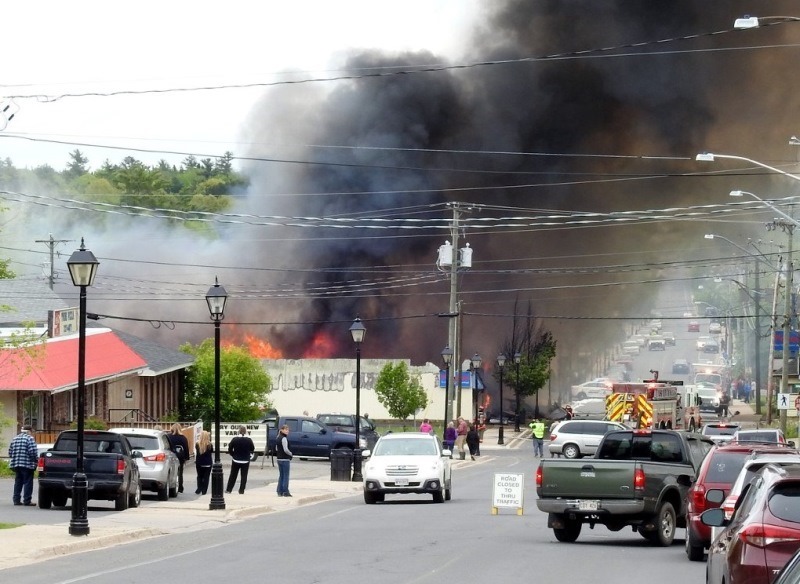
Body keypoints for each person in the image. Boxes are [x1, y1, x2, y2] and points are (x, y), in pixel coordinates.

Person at [8, 425, 38, 506]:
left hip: (16, 464)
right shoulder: (30, 439)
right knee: (28, 482)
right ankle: (27, 500)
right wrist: (35, 461)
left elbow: (10, 452)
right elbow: (33, 452)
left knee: (18, 482)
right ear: (29, 431)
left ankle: (16, 500)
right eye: (32, 431)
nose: (33, 433)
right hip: (27, 464)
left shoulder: (15, 438)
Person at [226, 425, 255, 494]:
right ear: (245, 432)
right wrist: (248, 454)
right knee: (244, 476)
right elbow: (252, 448)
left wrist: (233, 454)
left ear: (239, 431)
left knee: (233, 475)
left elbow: (230, 448)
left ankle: (229, 489)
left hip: (236, 459)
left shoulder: (235, 439)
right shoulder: (249, 440)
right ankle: (241, 490)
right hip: (245, 460)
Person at [167, 423, 190, 493]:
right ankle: (180, 487)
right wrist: (186, 457)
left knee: (171, 471)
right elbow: (186, 448)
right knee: (180, 473)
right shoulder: (183, 438)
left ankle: (171, 485)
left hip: (171, 456)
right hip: (180, 457)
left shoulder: (168, 437)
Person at [275, 424, 293, 497]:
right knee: (286, 476)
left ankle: (279, 491)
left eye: (288, 430)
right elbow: (286, 449)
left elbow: (276, 448)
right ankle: (285, 491)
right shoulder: (284, 438)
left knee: (281, 475)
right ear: (282, 430)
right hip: (285, 459)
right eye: (286, 429)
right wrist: (291, 454)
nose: (287, 431)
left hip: (279, 458)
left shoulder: (278, 437)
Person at [194, 430, 213, 495]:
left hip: (199, 463)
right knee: (206, 477)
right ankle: (204, 490)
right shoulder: (210, 445)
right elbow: (211, 452)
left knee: (199, 476)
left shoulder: (197, 444)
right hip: (208, 463)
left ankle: (199, 488)